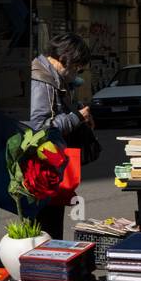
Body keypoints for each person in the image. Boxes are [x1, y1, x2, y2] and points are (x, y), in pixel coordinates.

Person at [28, 32, 94, 239]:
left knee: (52, 222)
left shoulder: (53, 78)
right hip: (41, 166)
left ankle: (49, 262)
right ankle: (46, 265)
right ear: (66, 59)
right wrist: (76, 118)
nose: (77, 72)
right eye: (77, 66)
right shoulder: (43, 80)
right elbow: (40, 128)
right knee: (46, 226)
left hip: (49, 164)